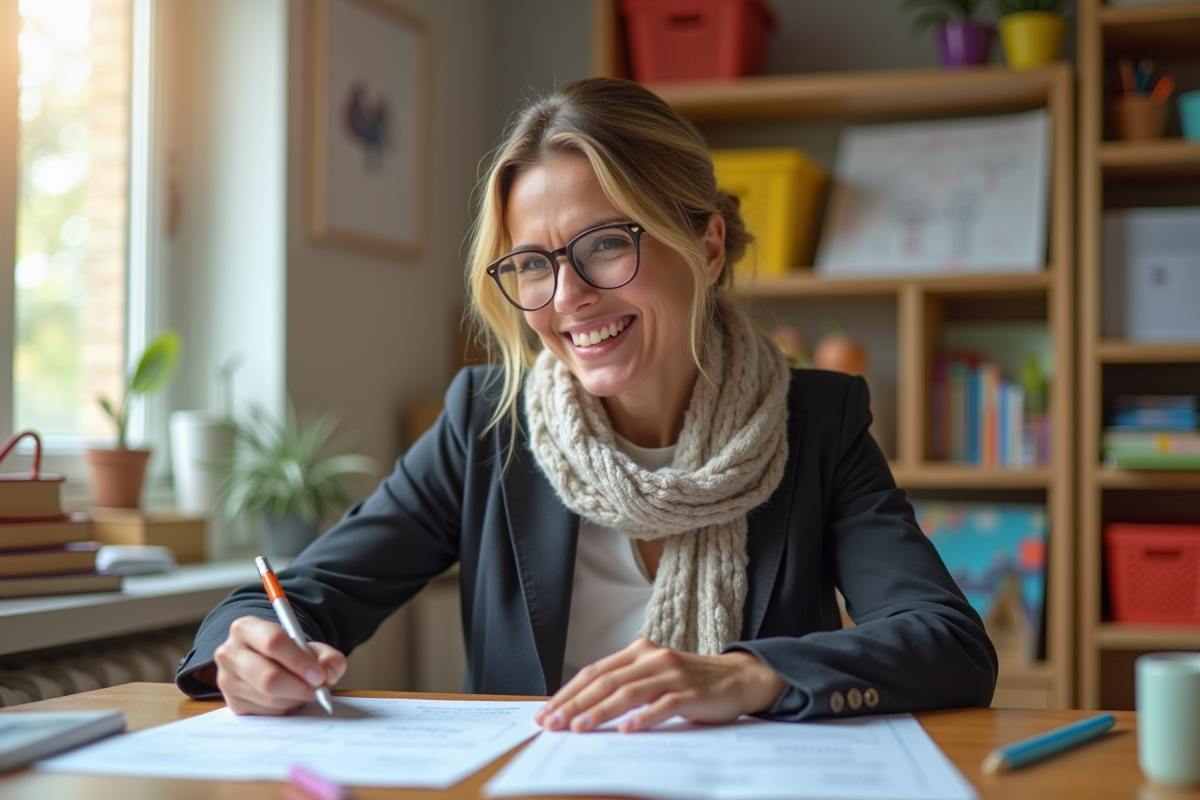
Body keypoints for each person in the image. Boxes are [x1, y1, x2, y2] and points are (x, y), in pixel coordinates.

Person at [177, 77, 997, 731]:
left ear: (706, 247)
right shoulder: (485, 423)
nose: (567, 297)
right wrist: (241, 650)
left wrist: (748, 674)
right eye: (531, 264)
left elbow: (948, 643)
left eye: (607, 243)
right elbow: (296, 597)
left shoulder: (816, 423)